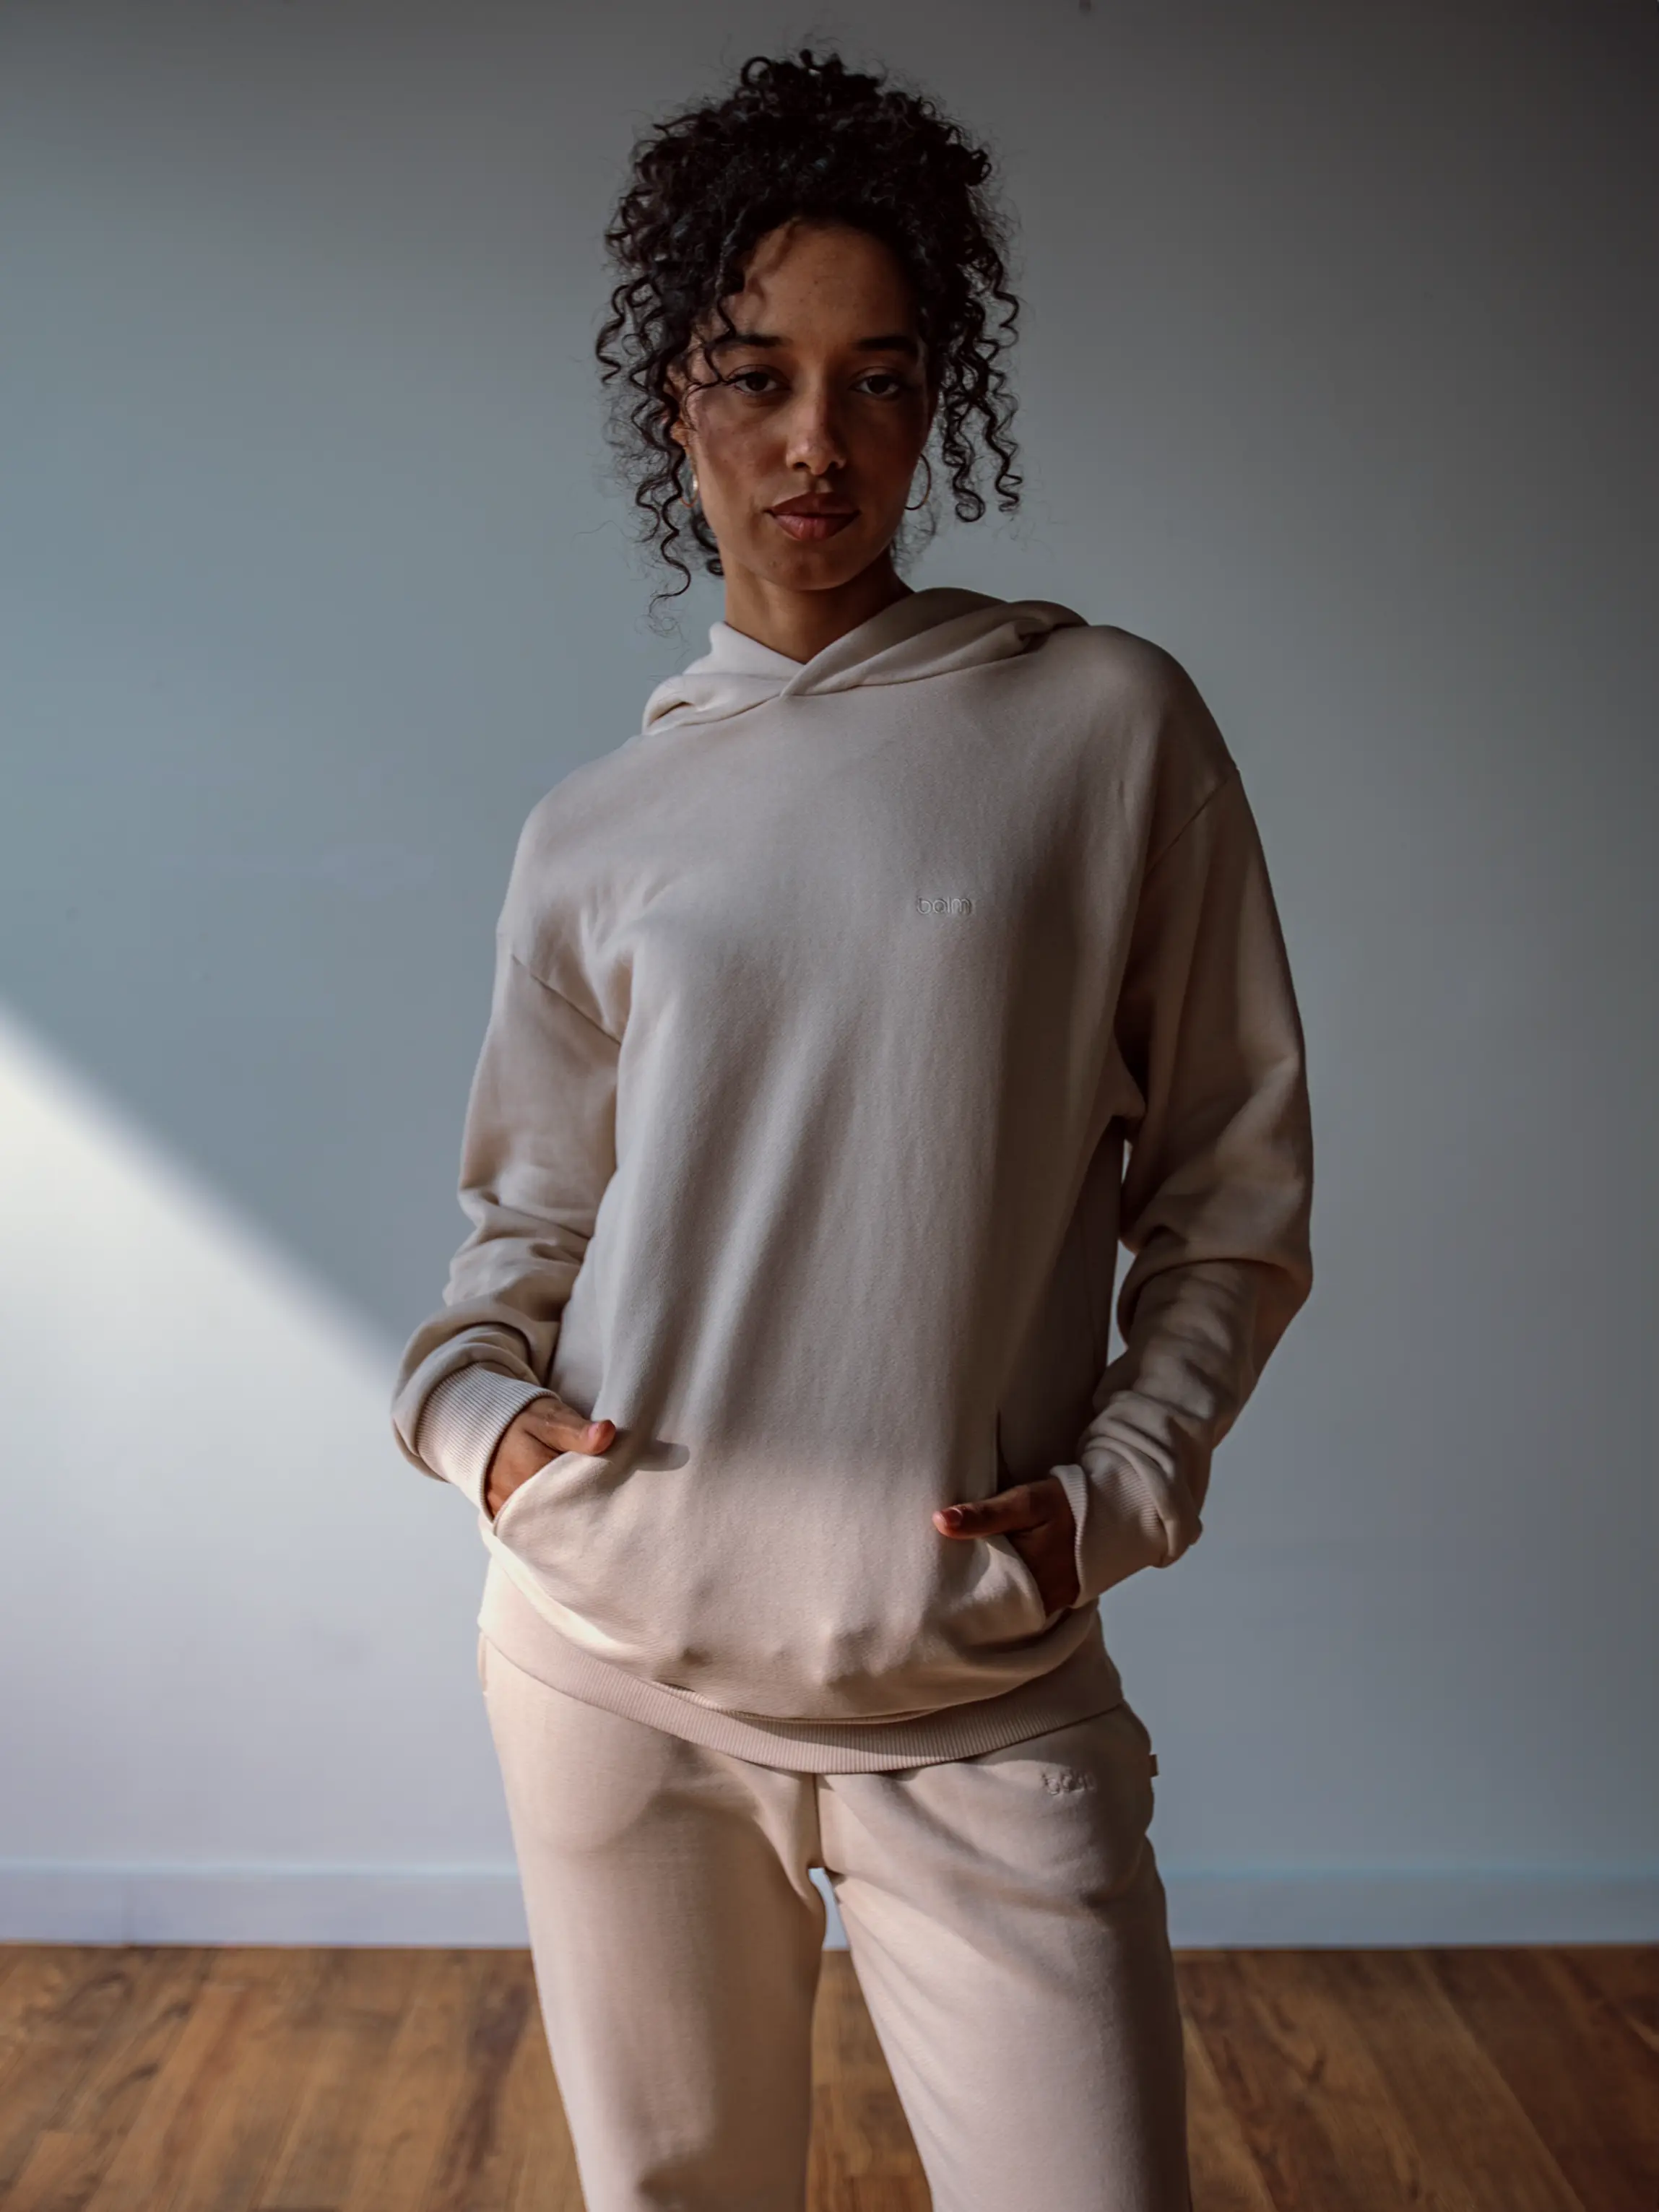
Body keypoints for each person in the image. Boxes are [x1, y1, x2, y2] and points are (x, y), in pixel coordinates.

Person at [391, 46, 1313, 2212]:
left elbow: (1232, 1176)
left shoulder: (1101, 723)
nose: (820, 443)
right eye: (757, 374)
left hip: (975, 1681)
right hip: (615, 1665)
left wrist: (1121, 1491)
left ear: (939, 400)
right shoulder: (593, 829)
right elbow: (517, 1229)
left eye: (881, 381)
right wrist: (473, 1429)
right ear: (673, 402)